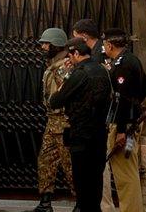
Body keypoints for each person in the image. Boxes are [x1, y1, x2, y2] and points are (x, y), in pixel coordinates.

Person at [49, 38, 111, 212]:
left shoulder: (80, 73)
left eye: (70, 55)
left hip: (81, 133)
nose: (70, 60)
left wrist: (65, 77)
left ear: (76, 54)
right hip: (100, 132)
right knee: (96, 177)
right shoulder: (102, 70)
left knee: (82, 179)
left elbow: (56, 101)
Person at [101, 28, 146, 212]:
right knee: (129, 168)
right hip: (131, 124)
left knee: (124, 172)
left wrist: (120, 130)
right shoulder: (131, 60)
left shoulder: (122, 65)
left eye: (104, 44)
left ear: (109, 45)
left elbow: (121, 99)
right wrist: (136, 107)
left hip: (125, 127)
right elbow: (145, 87)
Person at [32, 28, 74, 212]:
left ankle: (82, 203)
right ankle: (45, 202)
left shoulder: (66, 66)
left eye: (46, 44)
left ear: (56, 45)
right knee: (46, 161)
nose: (42, 47)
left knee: (70, 164)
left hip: (65, 123)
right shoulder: (53, 65)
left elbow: (68, 94)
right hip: (53, 123)